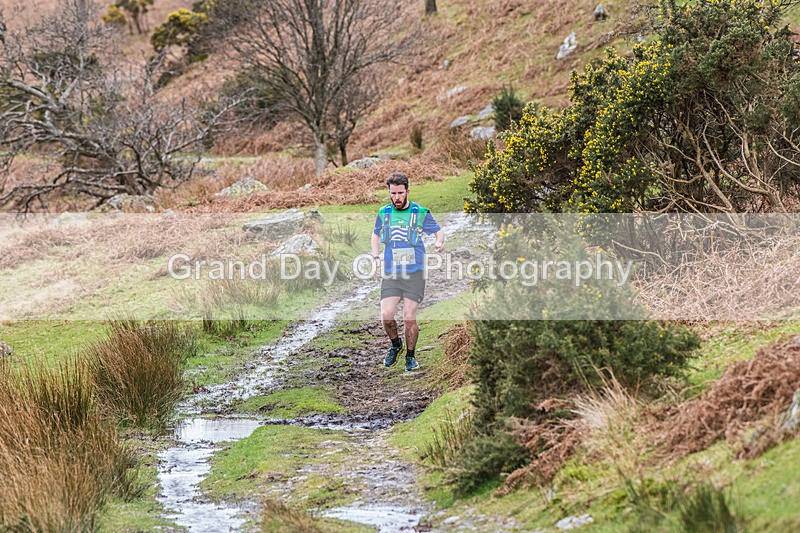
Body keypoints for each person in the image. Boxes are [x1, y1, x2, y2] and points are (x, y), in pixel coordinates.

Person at [371, 172, 445, 371]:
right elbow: (376, 235)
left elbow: (438, 230)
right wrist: (375, 259)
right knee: (387, 315)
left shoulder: (420, 212)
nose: (396, 197)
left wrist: (439, 242)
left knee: (409, 317)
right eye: (393, 193)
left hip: (415, 272)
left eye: (400, 193)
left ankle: (411, 357)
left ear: (407, 191)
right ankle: (396, 345)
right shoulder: (384, 212)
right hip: (392, 273)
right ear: (389, 192)